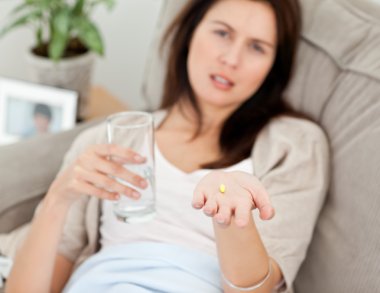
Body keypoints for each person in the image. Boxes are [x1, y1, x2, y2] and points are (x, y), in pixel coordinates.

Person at [5, 0, 329, 292]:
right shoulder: (108, 142)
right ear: (189, 33)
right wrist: (57, 199)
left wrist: (229, 216)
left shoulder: (295, 145)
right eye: (222, 33)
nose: (231, 58)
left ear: (274, 65)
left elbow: (258, 289)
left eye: (257, 47)